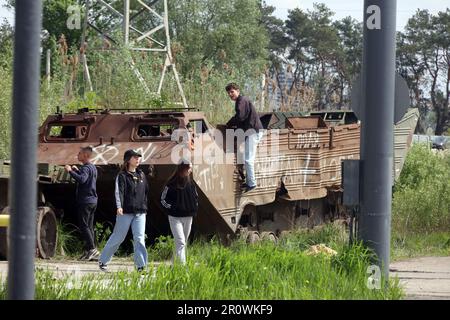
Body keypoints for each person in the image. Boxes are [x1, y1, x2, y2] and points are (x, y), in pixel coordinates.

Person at [98, 149, 149, 272]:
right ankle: (103, 260)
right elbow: (118, 192)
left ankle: (141, 266)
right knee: (118, 237)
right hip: (125, 212)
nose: (138, 159)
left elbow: (146, 192)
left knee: (139, 238)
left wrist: (144, 206)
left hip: (140, 212)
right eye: (135, 157)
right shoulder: (122, 176)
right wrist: (119, 206)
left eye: (139, 157)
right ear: (128, 160)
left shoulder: (142, 175)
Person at [225, 82, 264, 192]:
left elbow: (240, 117)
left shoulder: (241, 101)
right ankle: (249, 182)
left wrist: (229, 123)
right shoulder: (242, 101)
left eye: (232, 92)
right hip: (251, 131)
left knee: (248, 159)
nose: (230, 94)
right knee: (246, 157)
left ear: (238, 91)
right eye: (228, 93)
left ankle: (251, 184)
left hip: (253, 132)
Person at [64, 146, 99, 261]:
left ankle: (93, 250)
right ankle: (89, 251)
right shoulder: (92, 167)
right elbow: (87, 179)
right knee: (89, 226)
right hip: (93, 200)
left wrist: (70, 171)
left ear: (85, 155)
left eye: (79, 153)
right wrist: (77, 171)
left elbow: (82, 180)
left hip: (85, 201)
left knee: (84, 226)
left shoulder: (86, 168)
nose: (77, 155)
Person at [160, 159, 198, 265]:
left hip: (188, 217)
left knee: (182, 243)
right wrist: (172, 208)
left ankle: (173, 264)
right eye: (189, 167)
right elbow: (163, 199)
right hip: (175, 217)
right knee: (181, 241)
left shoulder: (191, 183)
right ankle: (182, 267)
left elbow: (195, 197)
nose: (191, 170)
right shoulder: (171, 184)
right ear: (183, 168)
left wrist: (194, 207)